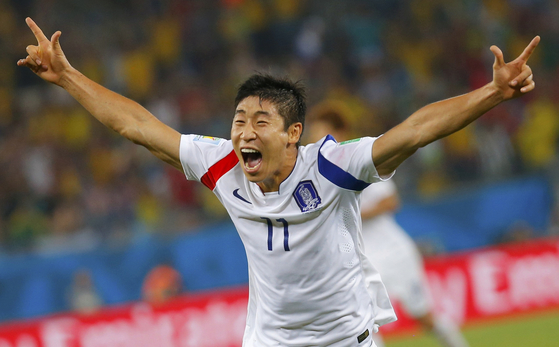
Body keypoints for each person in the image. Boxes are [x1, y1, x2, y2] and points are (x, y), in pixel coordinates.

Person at [18, 17, 538, 347]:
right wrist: (67, 76)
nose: (243, 131)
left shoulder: (334, 167)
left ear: (293, 135)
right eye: (239, 119)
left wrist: (490, 94)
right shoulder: (220, 163)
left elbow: (416, 130)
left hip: (346, 339)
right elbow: (134, 125)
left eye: (259, 122)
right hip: (269, 341)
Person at [306, 108, 469, 347]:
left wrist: (350, 215)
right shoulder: (316, 175)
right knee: (363, 320)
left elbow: (390, 201)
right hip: (363, 259)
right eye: (315, 135)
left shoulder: (357, 162)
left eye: (323, 133)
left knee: (424, 317)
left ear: (339, 133)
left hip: (394, 252)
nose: (317, 140)